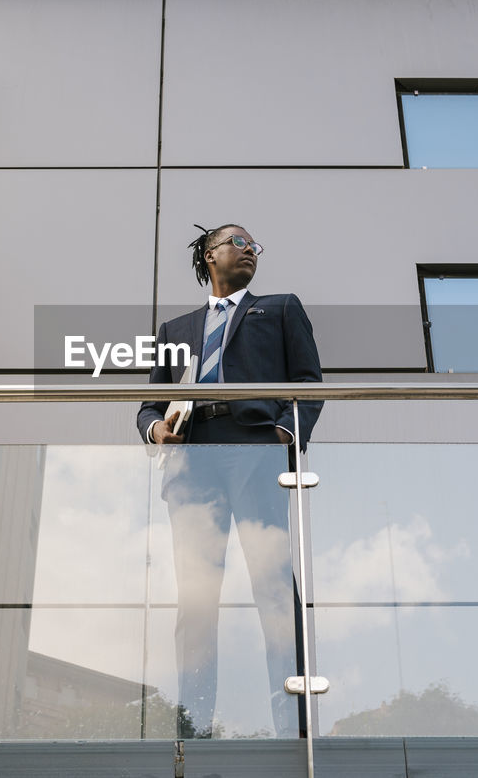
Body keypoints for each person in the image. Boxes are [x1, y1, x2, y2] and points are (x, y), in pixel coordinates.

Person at [137, 224, 322, 738]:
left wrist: (287, 432)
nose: (252, 250)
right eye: (240, 242)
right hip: (192, 461)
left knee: (272, 588)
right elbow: (149, 403)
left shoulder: (281, 308)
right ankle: (193, 730)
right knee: (195, 599)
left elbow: (309, 384)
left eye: (256, 246)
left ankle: (294, 729)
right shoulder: (174, 330)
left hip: (254, 449)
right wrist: (154, 428)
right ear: (209, 254)